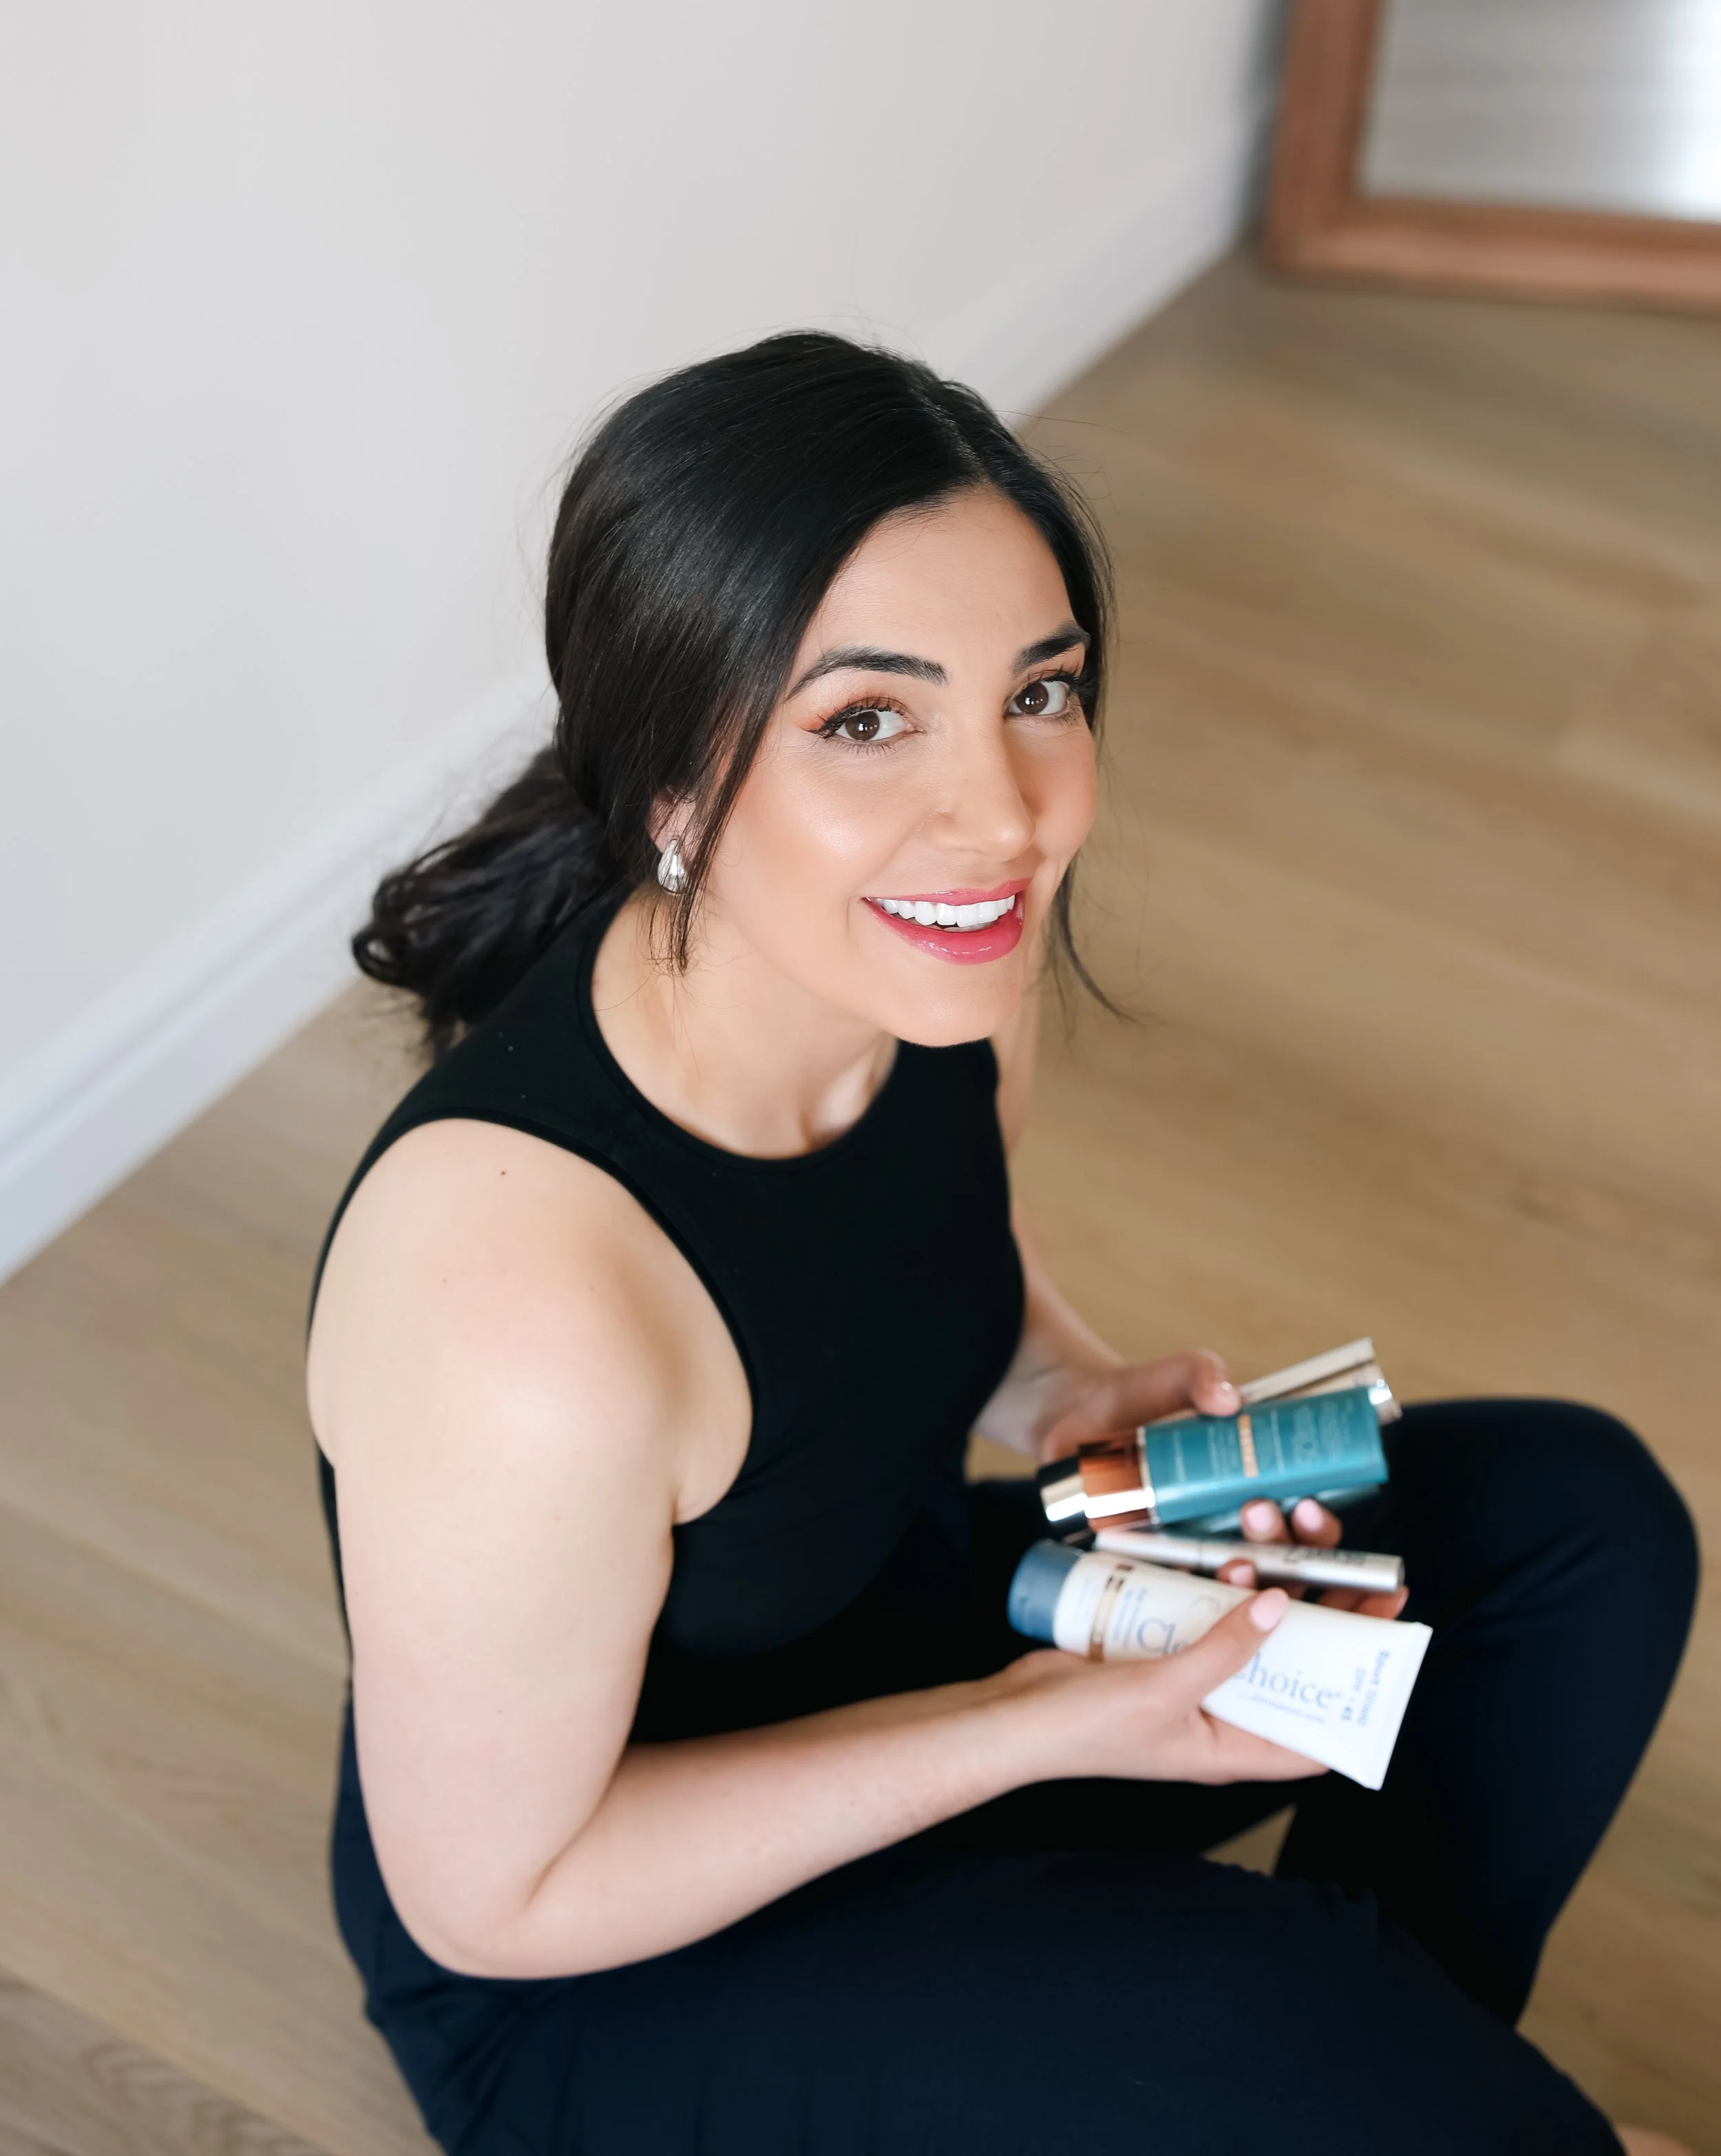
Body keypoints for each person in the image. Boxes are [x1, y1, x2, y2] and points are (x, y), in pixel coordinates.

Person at [306, 332, 1698, 2156]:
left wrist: (1065, 1377)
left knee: (1569, 1526)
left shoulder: (930, 969)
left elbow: (919, 1238)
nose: (1004, 812)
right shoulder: (511, 1305)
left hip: (910, 1668)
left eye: (1036, 693)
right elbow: (496, 1896)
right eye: (866, 718)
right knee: (1257, 2007)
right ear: (668, 782)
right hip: (609, 1968)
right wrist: (1028, 1729)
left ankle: (1390, 2071)